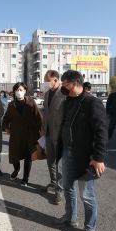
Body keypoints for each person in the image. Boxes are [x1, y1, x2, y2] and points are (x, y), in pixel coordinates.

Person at [54, 70, 107, 231]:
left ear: (75, 82)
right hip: (68, 152)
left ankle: (90, 228)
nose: (63, 86)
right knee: (68, 186)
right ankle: (71, 217)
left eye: (65, 83)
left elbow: (101, 132)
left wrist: (98, 157)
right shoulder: (69, 101)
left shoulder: (92, 102)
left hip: (86, 157)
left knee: (87, 194)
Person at [2, 82, 42, 186]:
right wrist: (6, 127)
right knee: (14, 155)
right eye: (17, 90)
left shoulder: (31, 102)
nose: (19, 92)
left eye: (21, 90)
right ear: (14, 92)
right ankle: (17, 169)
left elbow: (38, 117)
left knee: (28, 157)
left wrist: (42, 131)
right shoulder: (11, 105)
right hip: (16, 134)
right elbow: (6, 119)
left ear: (25, 91)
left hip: (30, 134)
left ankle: (25, 178)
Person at [41, 70, 65, 204]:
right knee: (50, 160)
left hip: (60, 135)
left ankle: (60, 190)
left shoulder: (64, 94)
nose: (45, 83)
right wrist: (43, 129)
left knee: (60, 164)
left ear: (55, 80)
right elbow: (45, 113)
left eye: (47, 81)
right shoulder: (46, 94)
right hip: (48, 133)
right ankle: (53, 182)